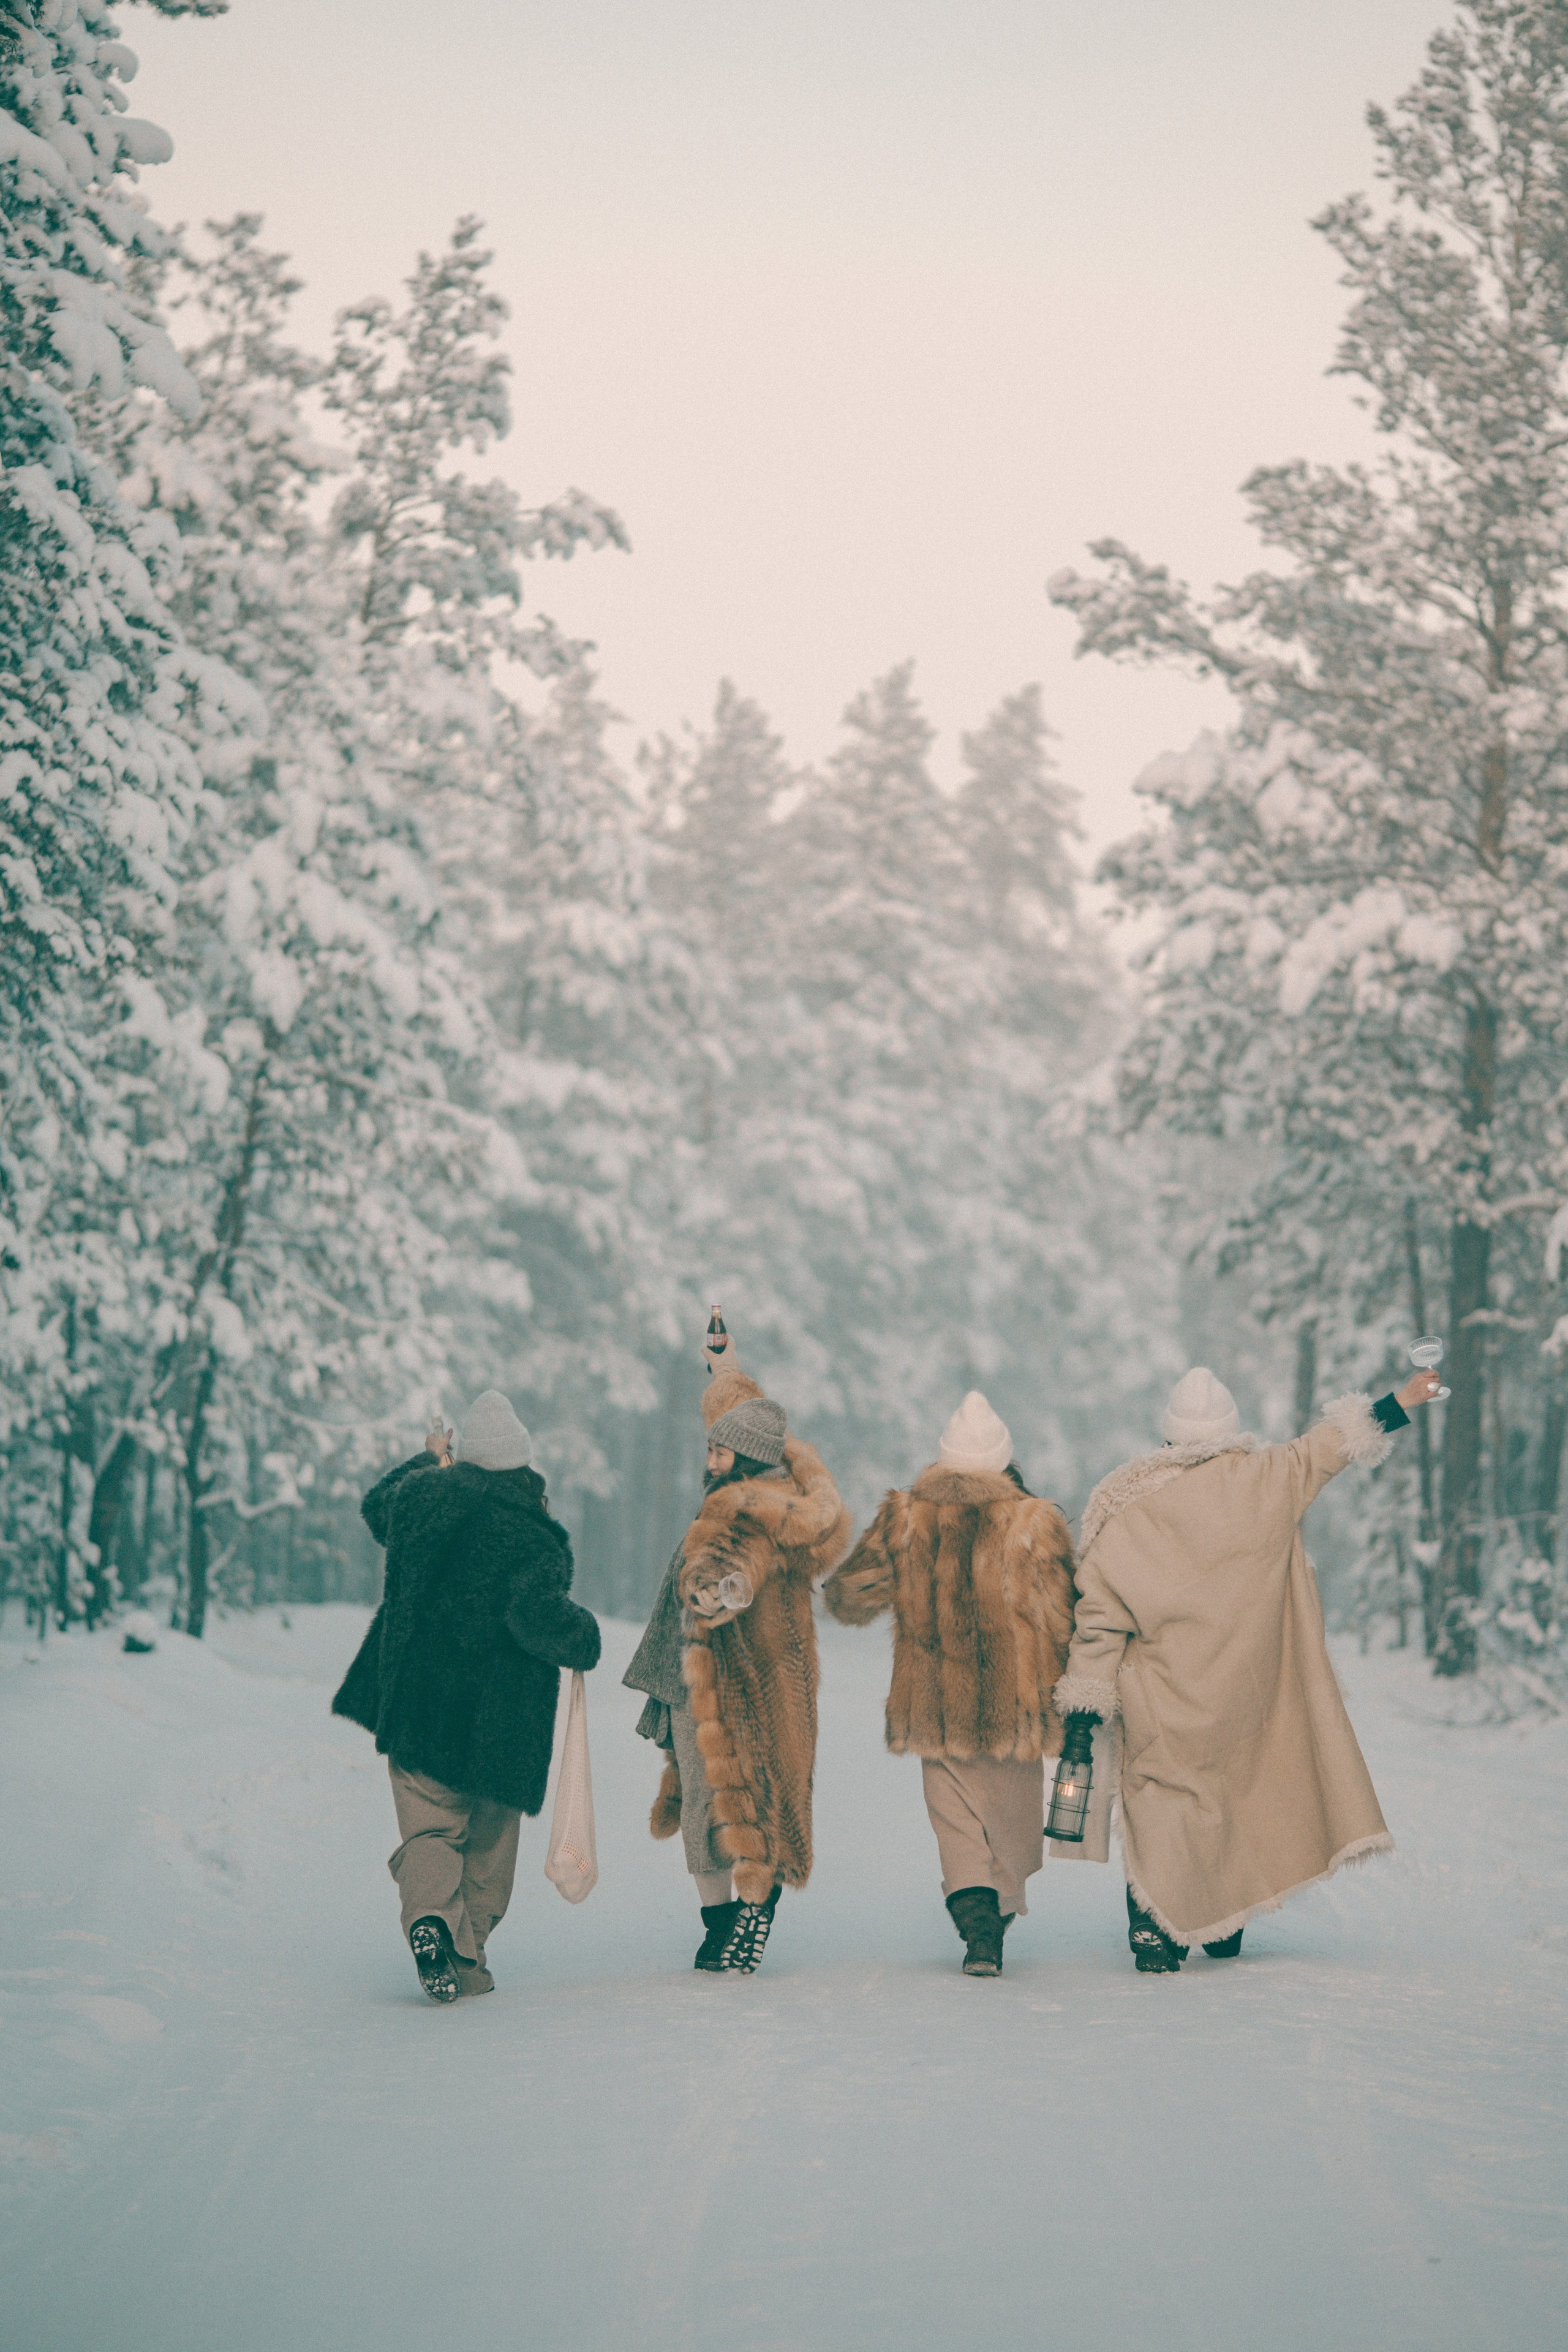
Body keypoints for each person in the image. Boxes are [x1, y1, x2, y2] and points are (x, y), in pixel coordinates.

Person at [1052, 1365, 1442, 1973]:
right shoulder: (1269, 1477)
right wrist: (1406, 1397)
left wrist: (1083, 1705)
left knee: (1162, 1802)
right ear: (1230, 1432)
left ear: (1170, 1438)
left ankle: (1156, 1929)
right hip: (1245, 1690)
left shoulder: (1126, 1511)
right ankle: (1224, 1920)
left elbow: (1098, 1620)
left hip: (1162, 1691)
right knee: (1236, 1795)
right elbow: (1334, 1441)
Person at [333, 1391, 601, 2002]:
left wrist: (428, 1461)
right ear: (522, 1465)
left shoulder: (420, 1504)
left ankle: (430, 1922)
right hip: (498, 1725)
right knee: (486, 1849)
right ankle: (468, 1963)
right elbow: (537, 1618)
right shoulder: (532, 1536)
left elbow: (377, 1508)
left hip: (417, 1709)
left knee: (431, 1833)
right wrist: (584, 1636)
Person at [823, 1392, 1076, 1975]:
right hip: (1016, 1707)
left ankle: (979, 1931)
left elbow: (848, 1596)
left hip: (935, 1709)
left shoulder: (906, 1518)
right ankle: (993, 1922)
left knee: (957, 1830)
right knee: (1012, 1837)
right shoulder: (1035, 1523)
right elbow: (1064, 1616)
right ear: (1005, 1461)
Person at [624, 1340, 850, 1973]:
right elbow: (741, 1415)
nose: (709, 1455)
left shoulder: (743, 1512)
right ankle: (746, 1918)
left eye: (718, 1449)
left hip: (725, 1681)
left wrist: (717, 1591)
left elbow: (733, 1568)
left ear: (744, 1460)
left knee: (714, 1803)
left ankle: (728, 1924)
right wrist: (723, 1367)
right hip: (781, 1686)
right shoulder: (785, 1494)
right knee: (765, 1799)